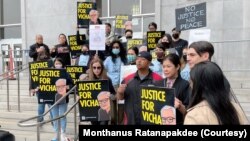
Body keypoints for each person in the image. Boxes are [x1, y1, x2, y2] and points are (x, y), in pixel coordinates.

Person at [184, 61, 248, 125]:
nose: (190, 86)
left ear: (198, 86)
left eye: (191, 83)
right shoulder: (235, 108)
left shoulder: (194, 115)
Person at [117, 51, 162, 125]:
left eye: (143, 59)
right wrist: (120, 92)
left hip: (150, 121)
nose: (139, 61)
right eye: (137, 59)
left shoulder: (158, 79)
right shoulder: (127, 79)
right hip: (131, 120)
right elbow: (120, 98)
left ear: (149, 62)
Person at [154, 54, 190, 125]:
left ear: (177, 67)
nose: (165, 69)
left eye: (168, 66)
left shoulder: (185, 84)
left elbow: (188, 112)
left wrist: (180, 106)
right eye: (163, 67)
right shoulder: (158, 84)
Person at [82, 58, 116, 125]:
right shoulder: (87, 80)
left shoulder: (107, 79)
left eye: (98, 68)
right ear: (91, 68)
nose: (96, 70)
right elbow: (81, 92)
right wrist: (80, 96)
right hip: (92, 109)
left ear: (102, 68)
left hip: (104, 109)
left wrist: (111, 96)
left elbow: (113, 93)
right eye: (94, 68)